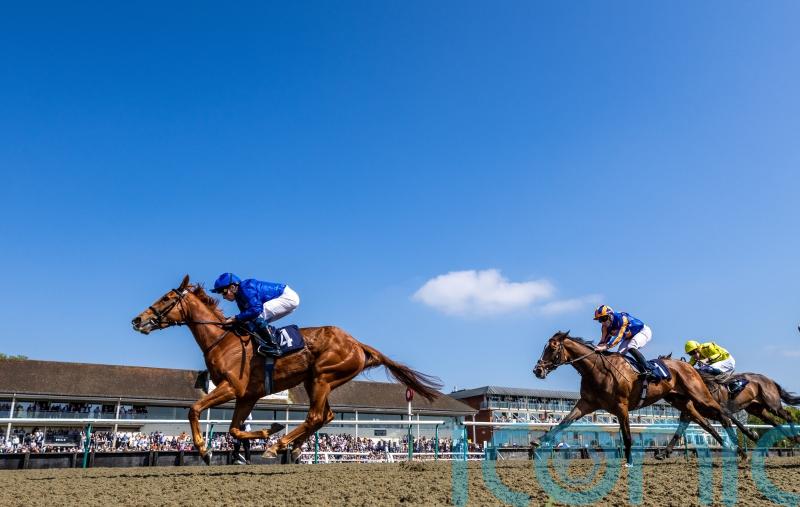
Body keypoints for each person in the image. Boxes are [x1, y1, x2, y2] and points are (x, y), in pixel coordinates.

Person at [211, 272, 300, 355]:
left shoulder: (246, 287)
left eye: (224, 292)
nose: (223, 297)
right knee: (251, 322)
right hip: (286, 299)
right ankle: (272, 341)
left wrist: (234, 318)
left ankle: (274, 346)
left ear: (233, 287)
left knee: (256, 316)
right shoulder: (239, 297)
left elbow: (256, 310)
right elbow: (245, 317)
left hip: (287, 297)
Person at [593, 305, 654, 379]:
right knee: (618, 355)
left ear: (610, 315)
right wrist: (596, 348)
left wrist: (607, 346)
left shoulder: (622, 318)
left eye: (603, 318)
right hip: (628, 337)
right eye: (600, 320)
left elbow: (619, 336)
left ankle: (648, 370)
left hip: (642, 332)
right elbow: (603, 341)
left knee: (631, 346)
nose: (603, 322)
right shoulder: (604, 327)